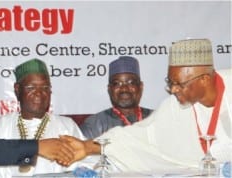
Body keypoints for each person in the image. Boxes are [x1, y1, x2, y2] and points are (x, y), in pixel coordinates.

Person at [62, 39, 232, 174]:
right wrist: (87, 147)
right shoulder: (175, 105)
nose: (173, 90)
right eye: (170, 83)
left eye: (180, 83)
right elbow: (137, 137)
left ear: (204, 79)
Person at [0, 58, 95, 177]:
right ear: (17, 89)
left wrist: (80, 171)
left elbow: (88, 161)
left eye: (45, 88)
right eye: (31, 87)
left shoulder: (66, 125)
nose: (39, 93)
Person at [80, 56, 153, 138]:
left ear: (141, 87)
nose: (124, 89)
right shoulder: (94, 124)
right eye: (116, 83)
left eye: (131, 82)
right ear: (109, 89)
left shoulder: (157, 118)